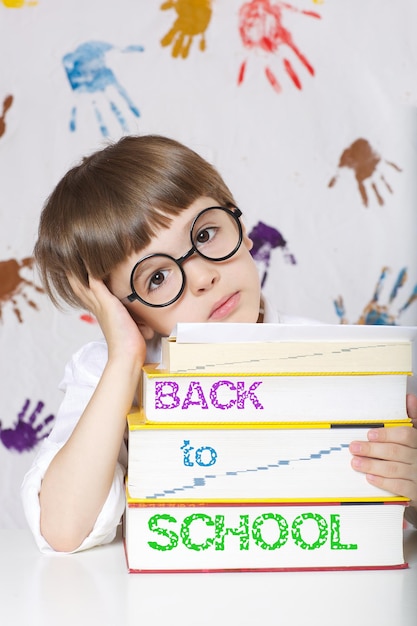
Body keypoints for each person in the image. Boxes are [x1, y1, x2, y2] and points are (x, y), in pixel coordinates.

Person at [21, 135, 417, 553]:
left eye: (206, 234)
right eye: (157, 277)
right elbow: (63, 529)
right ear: (127, 313)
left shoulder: (342, 358)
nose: (203, 277)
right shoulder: (107, 375)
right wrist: (123, 357)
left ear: (241, 229)